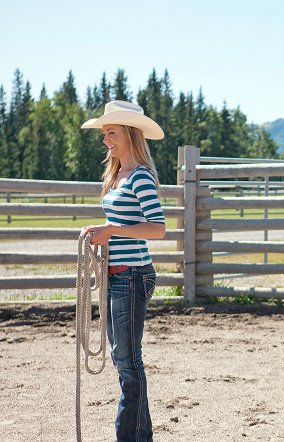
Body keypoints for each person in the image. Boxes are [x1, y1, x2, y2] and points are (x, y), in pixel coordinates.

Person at [80, 100, 166, 442]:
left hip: (132, 275)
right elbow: (119, 221)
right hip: (116, 276)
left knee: (129, 364)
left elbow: (158, 228)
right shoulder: (117, 175)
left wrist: (111, 231)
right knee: (124, 363)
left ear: (130, 134)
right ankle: (140, 436)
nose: (106, 140)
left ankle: (130, 437)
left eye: (111, 132)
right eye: (104, 134)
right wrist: (98, 230)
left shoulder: (141, 176)